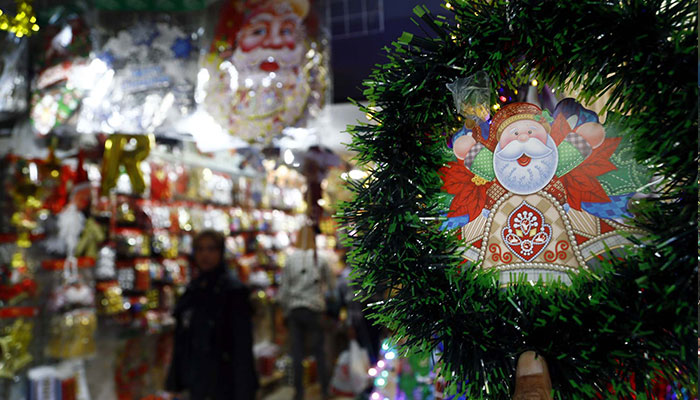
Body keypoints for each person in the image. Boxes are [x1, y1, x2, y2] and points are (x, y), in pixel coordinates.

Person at [166, 230, 258, 400]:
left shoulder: (233, 291)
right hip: (197, 380)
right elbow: (183, 340)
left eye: (211, 249)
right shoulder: (193, 290)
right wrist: (175, 382)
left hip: (224, 381)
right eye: (200, 249)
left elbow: (242, 347)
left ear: (220, 252)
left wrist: (244, 391)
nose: (205, 255)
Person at [278, 224, 333, 400]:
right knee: (319, 352)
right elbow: (331, 286)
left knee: (297, 353)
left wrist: (285, 311)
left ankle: (299, 392)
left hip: (295, 310)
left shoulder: (290, 260)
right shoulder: (321, 259)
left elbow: (284, 290)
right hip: (315, 310)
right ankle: (324, 390)